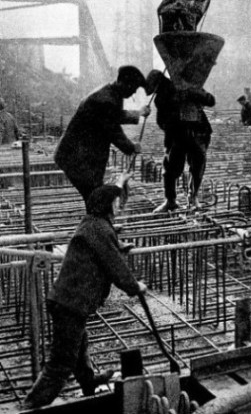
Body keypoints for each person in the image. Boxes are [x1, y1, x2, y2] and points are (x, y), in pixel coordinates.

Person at [20, 177, 147, 410]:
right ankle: (29, 406)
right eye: (116, 203)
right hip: (71, 303)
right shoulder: (100, 229)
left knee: (79, 345)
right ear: (106, 205)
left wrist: (119, 247)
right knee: (61, 363)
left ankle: (88, 382)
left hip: (66, 300)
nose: (119, 207)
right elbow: (115, 266)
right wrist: (135, 286)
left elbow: (104, 248)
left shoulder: (93, 224)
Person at [54, 66, 150, 206]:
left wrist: (138, 113)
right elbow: (113, 131)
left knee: (93, 195)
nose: (134, 92)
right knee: (94, 196)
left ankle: (98, 224)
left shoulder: (110, 93)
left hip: (83, 155)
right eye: (133, 89)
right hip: (76, 157)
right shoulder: (106, 100)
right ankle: (98, 226)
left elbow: (115, 115)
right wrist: (131, 147)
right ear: (125, 84)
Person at [145, 70, 215, 212]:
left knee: (197, 166)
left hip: (198, 132)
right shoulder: (162, 96)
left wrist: (192, 93)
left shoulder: (190, 86)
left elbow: (210, 100)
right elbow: (161, 121)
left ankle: (192, 197)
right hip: (177, 134)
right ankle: (171, 201)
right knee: (171, 168)